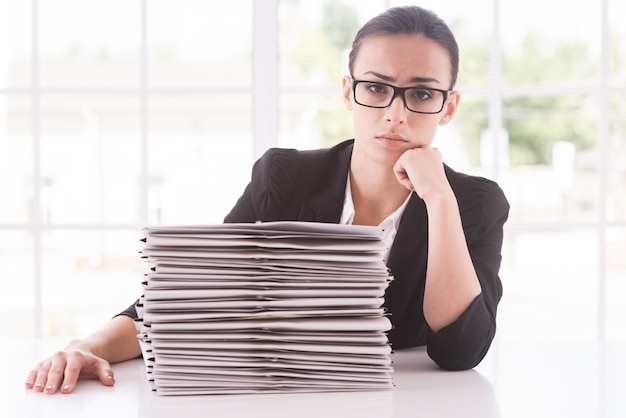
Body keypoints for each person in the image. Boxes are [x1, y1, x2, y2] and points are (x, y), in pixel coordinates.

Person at [25, 5, 509, 395]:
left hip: (407, 405)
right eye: (377, 88)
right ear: (348, 92)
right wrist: (87, 345)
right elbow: (194, 297)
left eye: (421, 94)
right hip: (274, 396)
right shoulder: (286, 176)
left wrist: (439, 197)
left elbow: (459, 350)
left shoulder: (475, 202)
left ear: (448, 107)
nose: (395, 113)